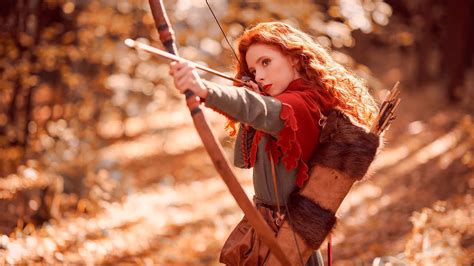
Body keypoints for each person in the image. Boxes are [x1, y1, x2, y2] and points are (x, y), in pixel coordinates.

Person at [169, 22, 378, 265]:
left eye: (265, 62)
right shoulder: (278, 106)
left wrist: (202, 88)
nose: (258, 75)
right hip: (270, 229)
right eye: (253, 69)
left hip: (292, 237)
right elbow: (242, 159)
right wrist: (255, 106)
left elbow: (255, 109)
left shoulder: (302, 104)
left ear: (295, 59)